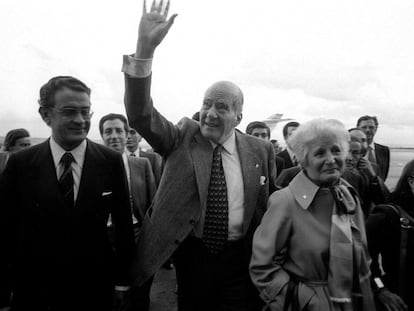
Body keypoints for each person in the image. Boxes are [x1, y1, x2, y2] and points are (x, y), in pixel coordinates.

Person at [122, 2, 277, 310]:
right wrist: (144, 51)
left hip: (240, 260)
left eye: (222, 107)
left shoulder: (260, 150)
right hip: (192, 256)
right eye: (207, 104)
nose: (210, 113)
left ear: (239, 116)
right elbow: (140, 115)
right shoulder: (182, 136)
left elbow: (267, 205)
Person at [0, 76, 134, 311]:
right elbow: (6, 230)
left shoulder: (110, 161)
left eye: (86, 111)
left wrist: (122, 283)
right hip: (35, 289)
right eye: (70, 111)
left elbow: (123, 226)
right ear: (45, 114)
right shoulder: (21, 164)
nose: (80, 120)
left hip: (94, 288)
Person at [250, 118, 375, 310]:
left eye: (336, 150)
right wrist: (307, 300)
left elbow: (363, 255)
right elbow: (262, 268)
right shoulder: (286, 201)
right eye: (319, 153)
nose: (331, 160)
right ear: (303, 161)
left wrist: (378, 289)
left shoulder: (348, 197)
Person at [99, 113, 157, 311]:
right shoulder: (93, 166)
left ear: (127, 135)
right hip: (103, 239)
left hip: (137, 235)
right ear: (102, 136)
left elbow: (152, 204)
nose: (114, 136)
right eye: (108, 131)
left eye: (119, 131)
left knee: (139, 294)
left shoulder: (142, 165)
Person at [366, 160, 414, 311]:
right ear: (411, 181)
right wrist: (380, 289)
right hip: (400, 301)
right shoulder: (388, 216)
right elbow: (364, 258)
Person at [357, 115, 390, 181]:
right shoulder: (352, 150)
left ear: (376, 129)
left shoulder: (384, 151)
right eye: (364, 127)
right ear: (358, 129)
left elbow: (383, 176)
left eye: (371, 127)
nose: (368, 130)